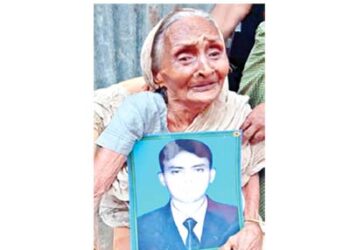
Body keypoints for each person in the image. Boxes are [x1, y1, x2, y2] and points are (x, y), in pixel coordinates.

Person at [94, 8, 265, 250]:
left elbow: (248, 167)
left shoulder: (235, 111)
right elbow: (95, 186)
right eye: (185, 58)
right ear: (157, 75)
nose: (206, 68)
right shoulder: (140, 110)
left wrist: (251, 223)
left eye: (215, 53)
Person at [137, 139, 240, 250]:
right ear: (162, 178)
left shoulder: (234, 217)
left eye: (199, 170)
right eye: (176, 171)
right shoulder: (143, 227)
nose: (188, 179)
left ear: (211, 175)